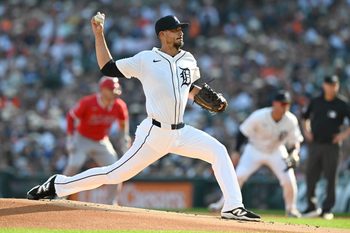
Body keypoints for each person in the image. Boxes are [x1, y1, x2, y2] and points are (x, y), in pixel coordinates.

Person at [26, 14, 260, 221]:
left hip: (181, 132)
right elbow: (108, 68)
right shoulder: (146, 59)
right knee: (114, 174)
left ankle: (233, 207)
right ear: (162, 34)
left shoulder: (188, 59)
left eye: (181, 30)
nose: (181, 33)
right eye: (176, 30)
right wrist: (99, 35)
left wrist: (206, 97)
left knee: (218, 151)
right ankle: (58, 184)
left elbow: (187, 89)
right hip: (154, 133)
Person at [209, 91, 303, 217]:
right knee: (238, 176)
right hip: (254, 150)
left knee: (288, 179)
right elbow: (242, 133)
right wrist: (236, 152)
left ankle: (291, 209)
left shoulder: (291, 120)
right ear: (274, 103)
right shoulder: (260, 115)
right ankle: (221, 204)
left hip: (276, 151)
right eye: (282, 103)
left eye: (287, 104)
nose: (285, 106)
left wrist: (295, 153)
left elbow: (295, 142)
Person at [64, 76, 130, 204]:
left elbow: (123, 122)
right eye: (111, 89)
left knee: (116, 171)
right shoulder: (88, 102)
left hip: (101, 141)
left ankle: (110, 203)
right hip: (82, 139)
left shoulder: (119, 105)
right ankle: (57, 195)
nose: (114, 92)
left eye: (115, 89)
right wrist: (70, 139)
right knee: (74, 165)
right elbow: (71, 117)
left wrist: (124, 138)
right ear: (103, 90)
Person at [301, 75, 350, 220]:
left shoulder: (342, 104)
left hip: (332, 145)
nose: (332, 87)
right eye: (329, 84)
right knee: (311, 175)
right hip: (315, 144)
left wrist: (342, 136)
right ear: (324, 85)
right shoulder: (316, 101)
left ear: (337, 86)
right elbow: (305, 117)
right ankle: (311, 207)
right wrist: (307, 131)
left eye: (334, 85)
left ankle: (327, 209)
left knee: (331, 177)